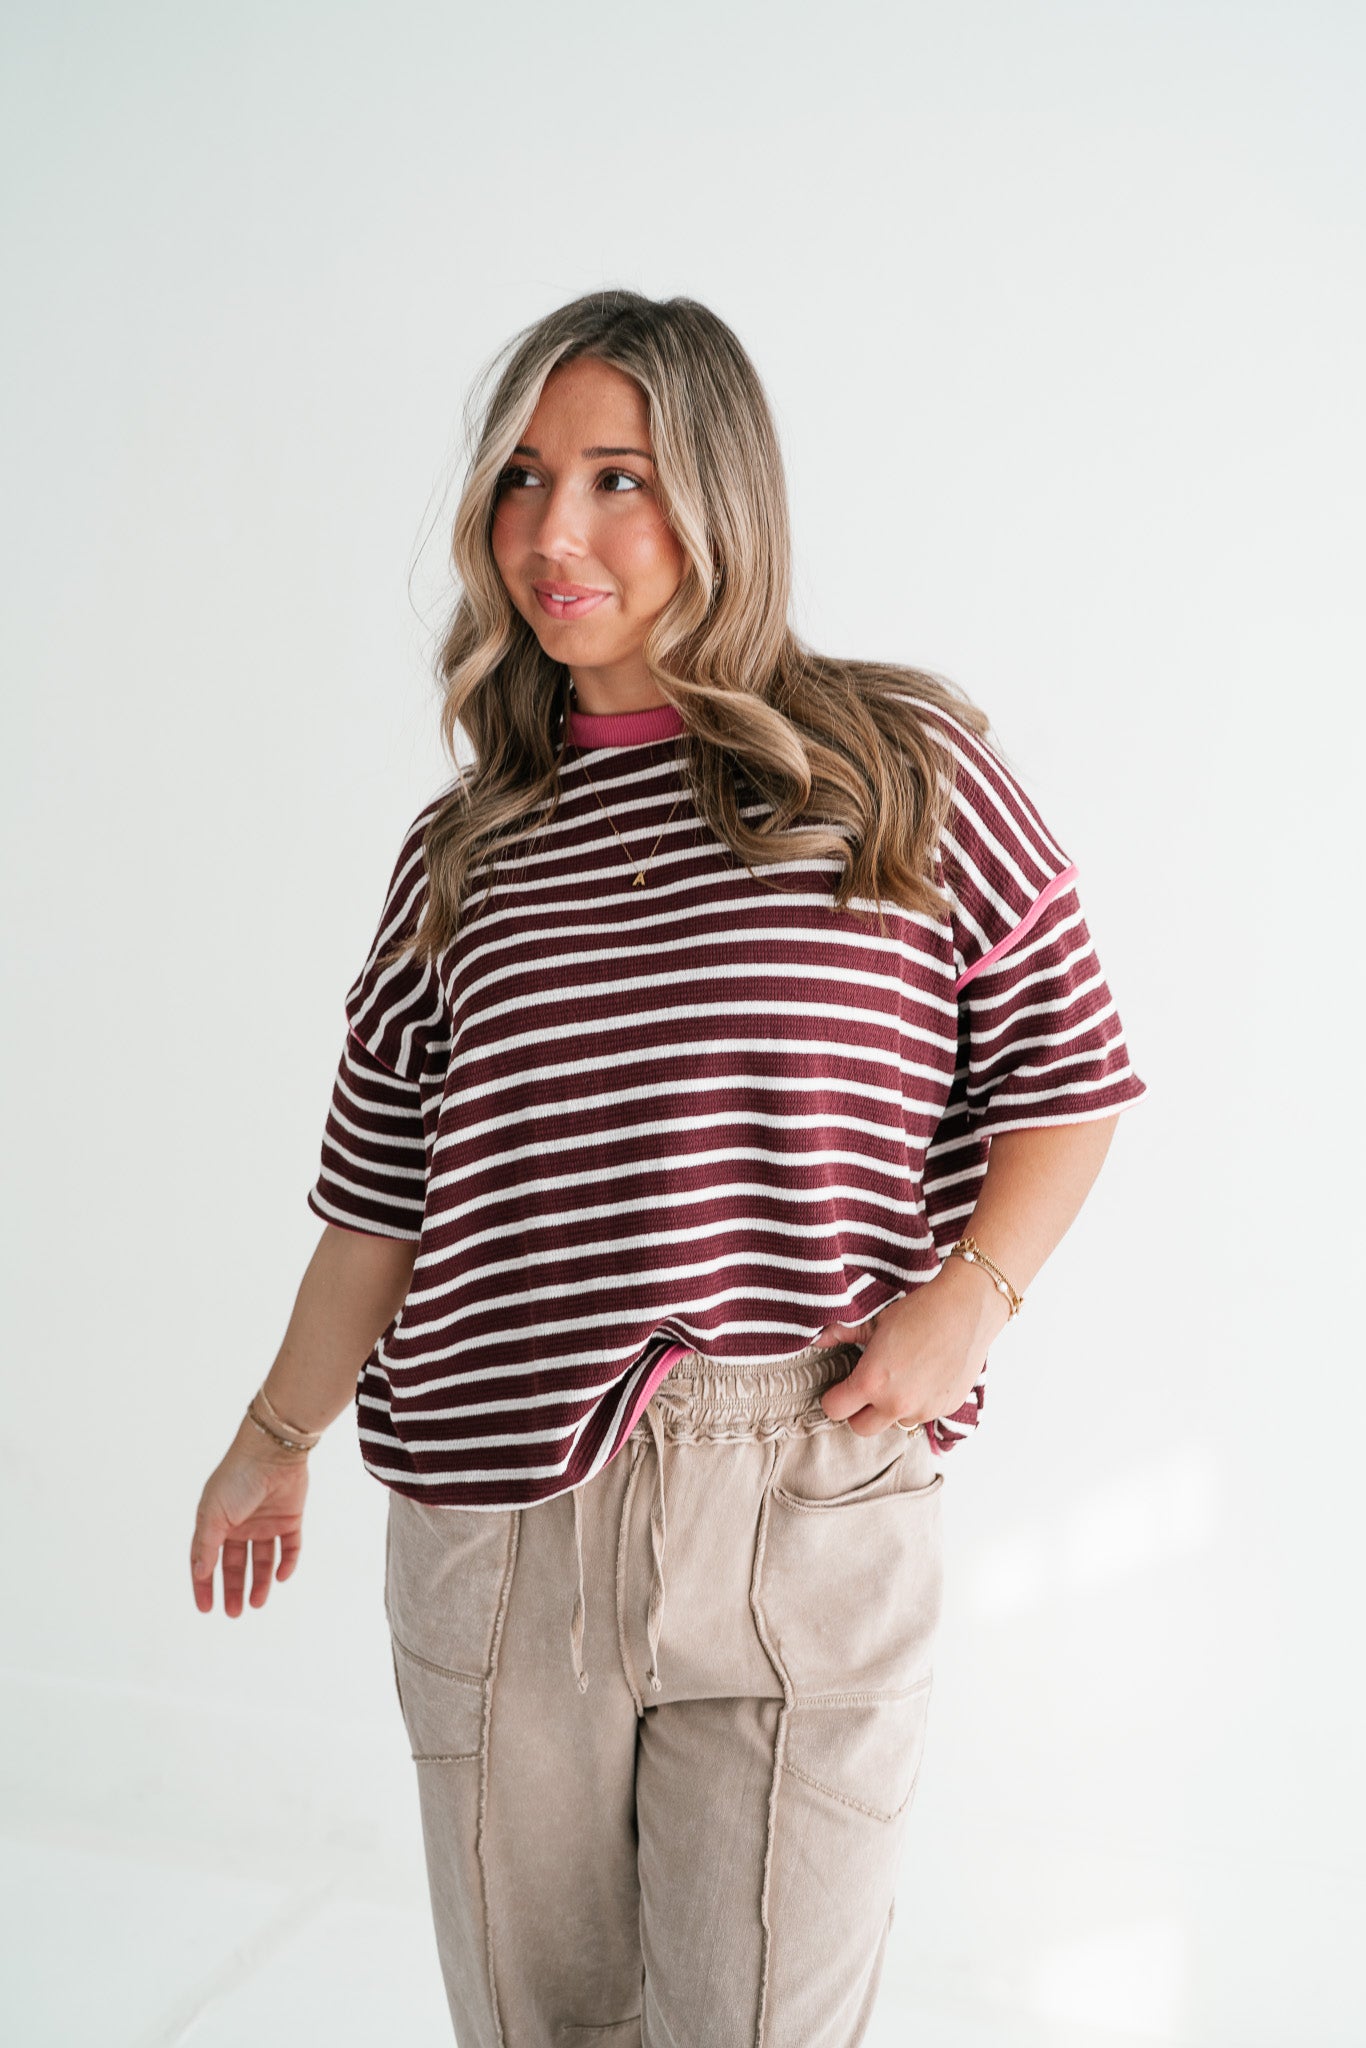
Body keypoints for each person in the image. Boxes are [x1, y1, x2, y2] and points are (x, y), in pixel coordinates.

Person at [190, 289, 1148, 2047]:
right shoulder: (465, 849)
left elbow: (1067, 1072)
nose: (553, 533)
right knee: (540, 2029)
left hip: (807, 1478)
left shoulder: (896, 766)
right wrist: (273, 1437)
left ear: (720, 492)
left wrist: (966, 1307)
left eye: (616, 478)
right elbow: (381, 1201)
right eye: (521, 479)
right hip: (500, 1512)